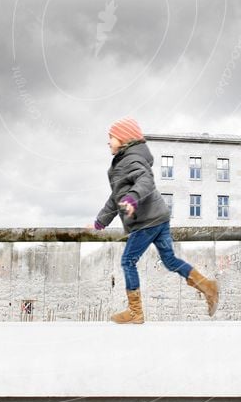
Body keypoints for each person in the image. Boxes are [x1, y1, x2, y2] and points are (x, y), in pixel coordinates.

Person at [93, 117, 219, 324]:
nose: (108, 142)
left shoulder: (131, 160)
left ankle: (135, 312)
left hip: (146, 220)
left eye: (111, 137)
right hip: (159, 217)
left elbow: (145, 181)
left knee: (128, 261)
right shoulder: (125, 160)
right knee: (170, 261)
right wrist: (100, 222)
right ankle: (208, 286)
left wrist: (132, 198)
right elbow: (116, 197)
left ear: (123, 139)